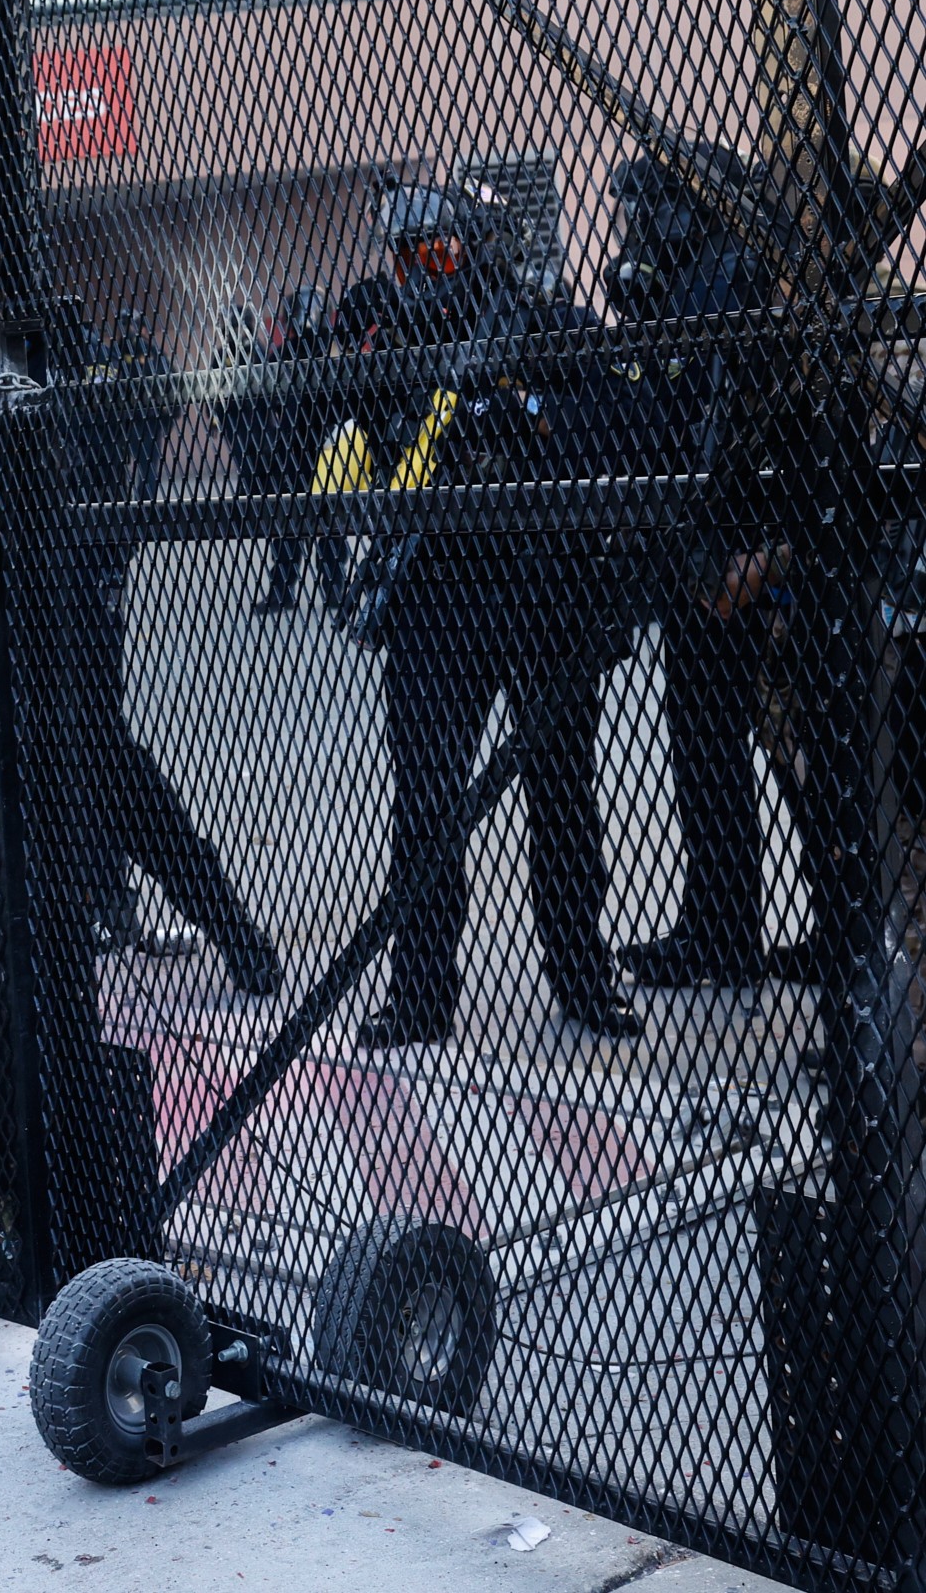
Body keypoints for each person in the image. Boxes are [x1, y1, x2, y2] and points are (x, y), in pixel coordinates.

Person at [331, 179, 645, 1045]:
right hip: (436, 596)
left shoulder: (544, 325)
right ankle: (423, 992)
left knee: (562, 794)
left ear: (476, 245)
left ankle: (581, 973)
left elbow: (623, 421)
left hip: (544, 590)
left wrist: (528, 411)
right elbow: (356, 456)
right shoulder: (389, 343)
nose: (415, 273)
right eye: (403, 257)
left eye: (433, 251)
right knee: (425, 801)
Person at [603, 148, 825, 989]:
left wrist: (719, 563)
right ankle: (743, 928)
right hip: (718, 554)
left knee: (770, 749)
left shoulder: (723, 279)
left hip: (745, 557)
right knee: (732, 753)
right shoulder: (697, 280)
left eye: (642, 209)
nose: (630, 228)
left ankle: (760, 930)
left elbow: (707, 432)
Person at [30, 305, 283, 995]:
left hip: (75, 601)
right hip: (24, 602)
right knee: (47, 778)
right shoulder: (15, 362)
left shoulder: (81, 362)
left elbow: (137, 428)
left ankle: (228, 929)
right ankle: (100, 907)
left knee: (109, 770)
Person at [213, 287, 347, 616]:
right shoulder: (282, 356)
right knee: (294, 524)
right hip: (295, 451)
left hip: (315, 450)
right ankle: (304, 590)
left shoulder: (315, 357)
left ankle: (325, 589)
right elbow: (262, 406)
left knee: (320, 525)